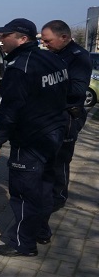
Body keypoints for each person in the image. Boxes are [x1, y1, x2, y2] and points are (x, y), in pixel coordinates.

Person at [0, 18, 68, 257]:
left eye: (6, 35)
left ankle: (23, 243)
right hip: (53, 136)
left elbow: (10, 112)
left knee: (24, 195)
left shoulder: (20, 67)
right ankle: (40, 231)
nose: (1, 39)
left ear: (22, 39)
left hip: (30, 140)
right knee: (43, 189)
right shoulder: (54, 59)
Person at [40, 20, 92, 212]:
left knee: (60, 159)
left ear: (64, 37)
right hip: (52, 114)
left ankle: (58, 197)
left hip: (68, 116)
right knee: (48, 158)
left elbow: (78, 90)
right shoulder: (55, 53)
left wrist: (46, 84)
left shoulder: (78, 56)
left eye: (48, 41)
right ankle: (47, 193)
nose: (45, 44)